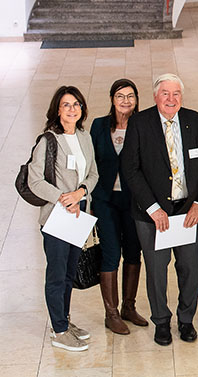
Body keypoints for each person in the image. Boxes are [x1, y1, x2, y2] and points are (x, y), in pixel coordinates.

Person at [122, 73, 198, 346]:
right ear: (155, 97)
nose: (171, 99)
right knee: (157, 271)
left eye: (176, 94)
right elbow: (130, 169)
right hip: (152, 216)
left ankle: (186, 320)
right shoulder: (139, 123)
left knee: (190, 269)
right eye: (165, 94)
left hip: (188, 212)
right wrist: (153, 208)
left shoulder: (197, 122)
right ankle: (161, 321)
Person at [29, 86, 99, 351]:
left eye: (76, 104)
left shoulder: (84, 137)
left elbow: (93, 174)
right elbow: (34, 180)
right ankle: (58, 330)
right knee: (57, 275)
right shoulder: (48, 140)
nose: (72, 109)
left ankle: (64, 320)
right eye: (66, 105)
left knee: (70, 272)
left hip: (78, 213)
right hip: (57, 216)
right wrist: (63, 197)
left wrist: (81, 192)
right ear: (57, 110)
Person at [89, 79, 148, 335]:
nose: (126, 101)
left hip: (134, 201)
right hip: (105, 200)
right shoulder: (99, 126)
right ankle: (110, 313)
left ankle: (129, 307)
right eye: (120, 96)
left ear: (136, 99)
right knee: (112, 252)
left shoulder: (143, 125)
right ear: (112, 99)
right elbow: (89, 162)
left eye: (130, 96)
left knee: (134, 252)